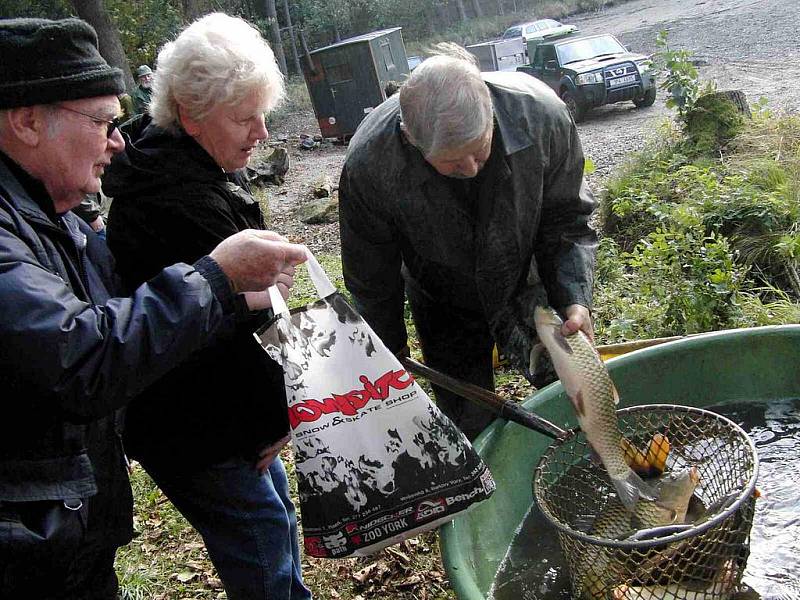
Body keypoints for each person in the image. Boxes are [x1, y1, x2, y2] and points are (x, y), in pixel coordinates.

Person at [0, 17, 307, 599]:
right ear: (26, 120)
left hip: (64, 527)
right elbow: (80, 353)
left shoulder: (56, 214)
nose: (117, 143)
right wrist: (217, 278)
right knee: (265, 543)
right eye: (101, 122)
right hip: (32, 536)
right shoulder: (21, 226)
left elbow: (120, 304)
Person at [104, 13, 311, 600]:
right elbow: (208, 341)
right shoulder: (174, 200)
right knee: (261, 542)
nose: (263, 133)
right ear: (191, 116)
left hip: (223, 413)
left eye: (262, 113)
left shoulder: (185, 168)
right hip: (194, 423)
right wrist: (278, 415)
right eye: (245, 118)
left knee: (275, 522)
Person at [338, 44, 598, 441]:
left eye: (480, 150)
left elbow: (566, 219)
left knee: (573, 398)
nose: (472, 168)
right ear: (411, 139)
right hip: (443, 298)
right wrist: (385, 364)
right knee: (471, 424)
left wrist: (574, 298)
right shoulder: (370, 165)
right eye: (453, 163)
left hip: (525, 274)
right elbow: (373, 281)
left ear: (490, 110)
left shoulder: (541, 116)